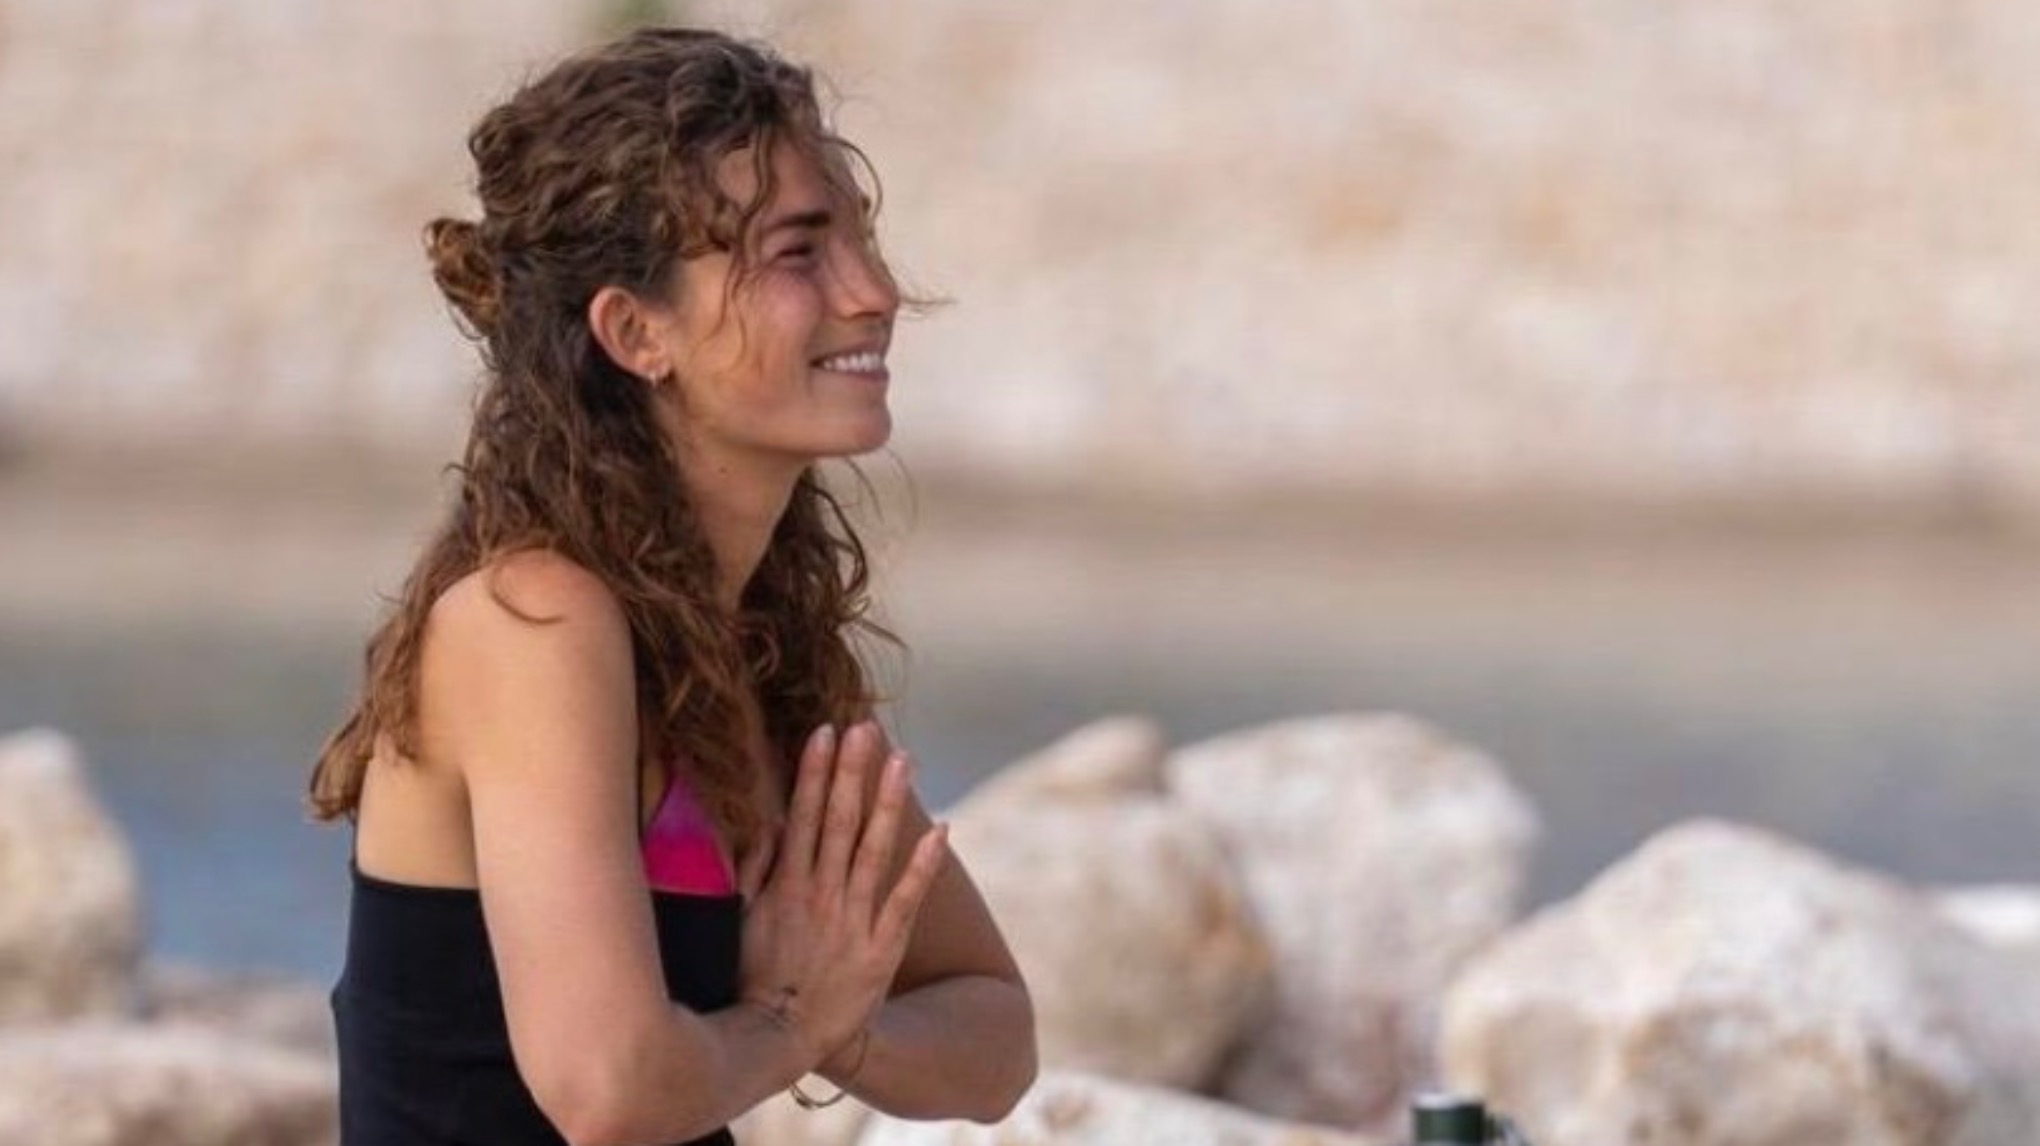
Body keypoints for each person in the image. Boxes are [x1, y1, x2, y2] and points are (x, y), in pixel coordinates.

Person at [307, 27, 1038, 1146]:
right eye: (799, 253)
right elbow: (609, 1088)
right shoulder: (532, 624)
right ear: (636, 330)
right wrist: (790, 1020)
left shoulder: (758, 649)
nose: (875, 292)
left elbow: (996, 1038)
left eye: (861, 238)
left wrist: (840, 1030)